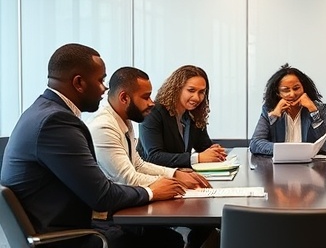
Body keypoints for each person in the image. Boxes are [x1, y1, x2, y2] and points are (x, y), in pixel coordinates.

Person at [0, 43, 187, 248]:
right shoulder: (56, 122)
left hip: (60, 226)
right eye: (101, 80)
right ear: (79, 83)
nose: (105, 88)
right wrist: (151, 192)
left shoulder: (44, 112)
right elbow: (102, 196)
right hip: (64, 237)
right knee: (166, 241)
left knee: (164, 237)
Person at [87, 66, 215, 248]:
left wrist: (175, 175)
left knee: (179, 238)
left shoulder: (124, 119)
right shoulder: (103, 127)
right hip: (109, 217)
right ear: (124, 98)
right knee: (172, 241)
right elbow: (127, 178)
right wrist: (172, 183)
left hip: (126, 205)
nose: (152, 102)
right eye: (146, 97)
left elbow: (138, 164)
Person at [138, 65, 227, 168]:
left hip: (180, 174)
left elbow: (203, 146)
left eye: (202, 92)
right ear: (177, 89)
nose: (197, 98)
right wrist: (197, 158)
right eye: (191, 90)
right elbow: (153, 157)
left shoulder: (192, 114)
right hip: (152, 177)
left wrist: (213, 150)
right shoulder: (153, 113)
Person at [249, 63, 326, 156]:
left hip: (308, 165)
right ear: (278, 93)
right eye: (286, 90)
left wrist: (313, 112)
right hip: (279, 165)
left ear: (304, 88)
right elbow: (255, 144)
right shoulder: (270, 109)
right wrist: (274, 116)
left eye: (296, 88)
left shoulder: (317, 108)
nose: (292, 94)